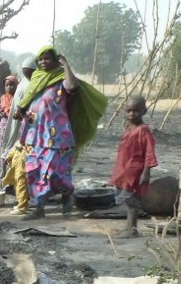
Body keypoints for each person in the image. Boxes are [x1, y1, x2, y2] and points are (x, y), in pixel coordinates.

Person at [14, 45, 107, 220]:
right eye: (40, 59)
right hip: (35, 135)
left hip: (57, 137)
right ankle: (38, 208)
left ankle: (66, 195)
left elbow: (72, 85)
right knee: (34, 171)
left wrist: (65, 65)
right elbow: (27, 101)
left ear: (55, 59)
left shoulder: (61, 79)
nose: (43, 62)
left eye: (47, 58)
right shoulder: (36, 79)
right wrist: (21, 111)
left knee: (56, 171)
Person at [108, 96, 157, 238]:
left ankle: (132, 230)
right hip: (124, 170)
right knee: (126, 199)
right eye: (129, 110)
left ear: (144, 111)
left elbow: (149, 152)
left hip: (135, 171)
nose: (131, 114)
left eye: (136, 111)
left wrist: (146, 171)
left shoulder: (143, 130)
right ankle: (128, 227)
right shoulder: (129, 128)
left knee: (132, 200)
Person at [0, 75, 18, 151]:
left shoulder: (18, 97)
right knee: (4, 141)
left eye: (11, 85)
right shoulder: (3, 97)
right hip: (5, 122)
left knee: (14, 141)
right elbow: (3, 108)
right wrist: (2, 112)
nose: (9, 87)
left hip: (15, 121)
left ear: (17, 85)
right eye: (7, 85)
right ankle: (3, 159)